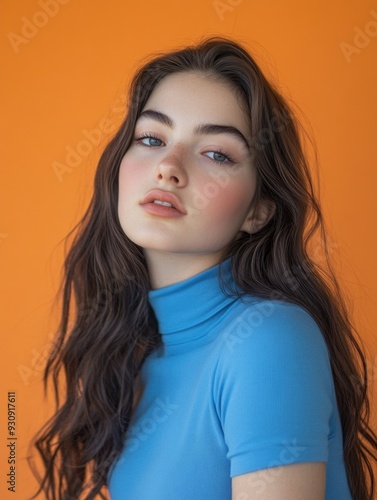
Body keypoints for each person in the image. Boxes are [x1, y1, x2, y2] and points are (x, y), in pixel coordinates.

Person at [30, 37, 377, 499]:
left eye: (216, 153)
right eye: (151, 138)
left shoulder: (267, 339)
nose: (168, 168)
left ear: (259, 210)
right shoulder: (138, 353)